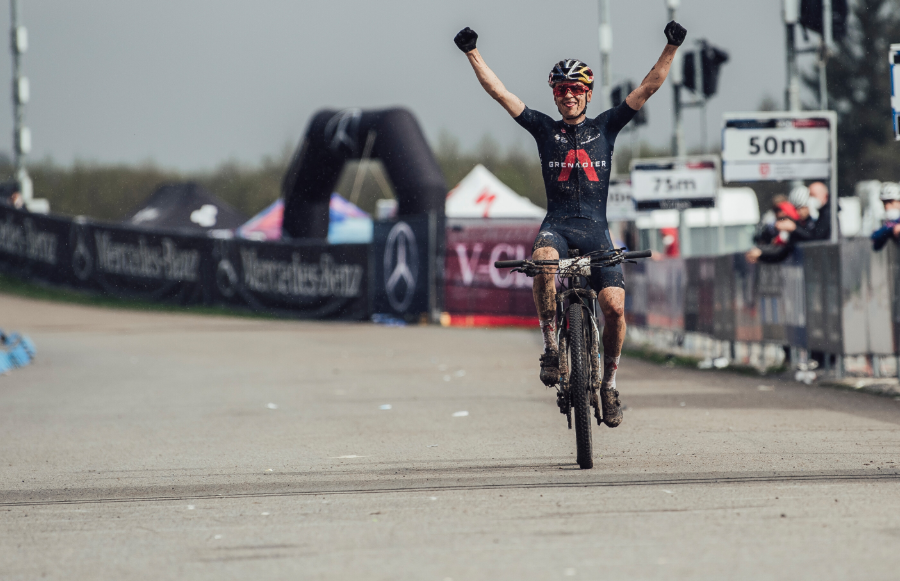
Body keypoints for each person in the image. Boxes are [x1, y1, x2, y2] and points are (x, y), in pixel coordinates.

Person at [454, 21, 686, 427]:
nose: (569, 96)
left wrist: (671, 46)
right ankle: (549, 347)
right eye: (562, 90)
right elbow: (501, 93)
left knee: (614, 308)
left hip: (596, 230)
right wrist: (472, 52)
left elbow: (648, 88)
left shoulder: (606, 127)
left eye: (576, 89)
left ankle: (609, 384)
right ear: (555, 96)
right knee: (542, 259)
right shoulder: (545, 128)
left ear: (588, 94)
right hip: (558, 226)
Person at [746, 195, 800, 264]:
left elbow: (782, 252)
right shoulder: (773, 226)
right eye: (775, 210)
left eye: (780, 210)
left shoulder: (794, 225)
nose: (779, 214)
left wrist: (794, 229)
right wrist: (760, 253)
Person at [872, 182, 900, 251]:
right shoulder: (892, 222)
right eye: (884, 203)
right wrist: (892, 229)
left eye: (890, 202)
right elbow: (876, 241)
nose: (887, 206)